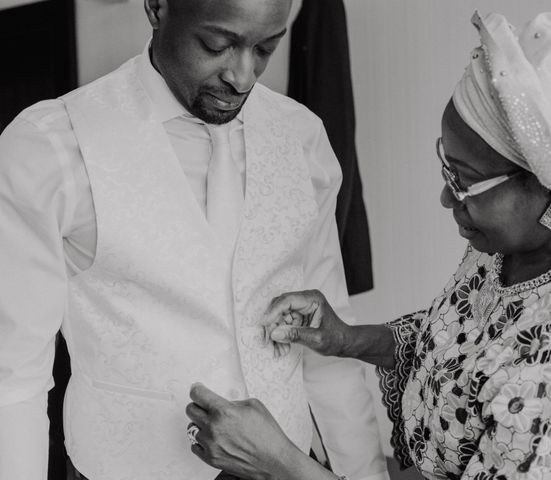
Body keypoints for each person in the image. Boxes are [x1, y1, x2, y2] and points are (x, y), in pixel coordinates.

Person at [184, 11, 551, 480]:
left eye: (464, 183)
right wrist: (348, 339)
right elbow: (472, 347)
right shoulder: (536, 242)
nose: (447, 197)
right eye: (447, 168)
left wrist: (280, 464)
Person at [0, 1, 390, 479]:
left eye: (266, 47)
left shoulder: (304, 138)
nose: (243, 76)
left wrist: (366, 473)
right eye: (216, 45)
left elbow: (328, 338)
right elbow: (13, 374)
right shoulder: (53, 146)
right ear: (158, 6)